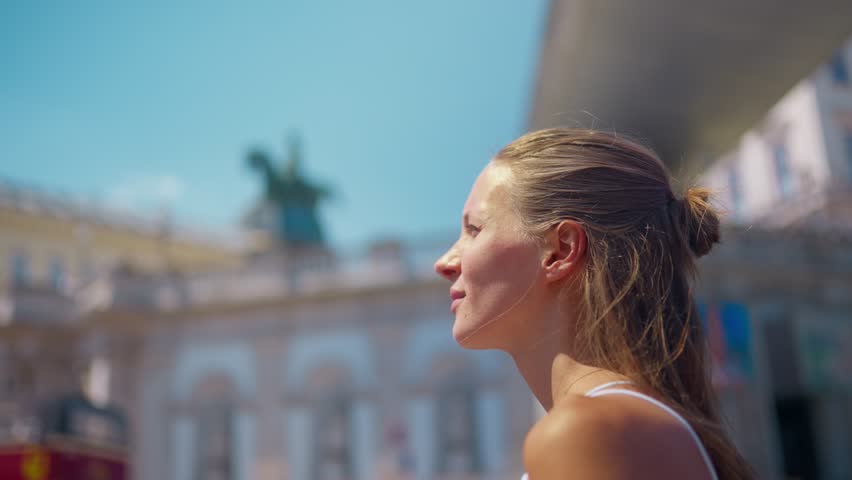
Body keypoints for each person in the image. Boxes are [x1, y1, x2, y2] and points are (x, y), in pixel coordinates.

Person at [434, 128, 753, 480]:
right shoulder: (622, 425)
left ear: (560, 250)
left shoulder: (587, 431)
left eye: (474, 229)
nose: (444, 263)